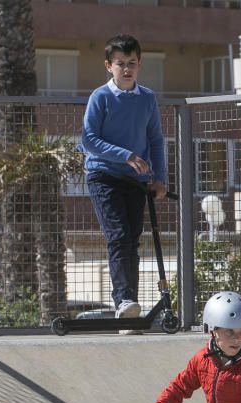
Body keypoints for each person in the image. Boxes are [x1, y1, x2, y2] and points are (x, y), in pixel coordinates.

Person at [80, 34, 167, 323]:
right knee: (117, 236)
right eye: (121, 64)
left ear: (139, 64)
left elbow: (155, 140)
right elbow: (89, 140)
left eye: (132, 63)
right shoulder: (100, 97)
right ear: (109, 66)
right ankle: (124, 300)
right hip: (103, 176)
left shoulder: (147, 98)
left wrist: (159, 179)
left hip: (136, 180)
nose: (127, 69)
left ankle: (130, 305)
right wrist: (126, 155)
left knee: (132, 239)